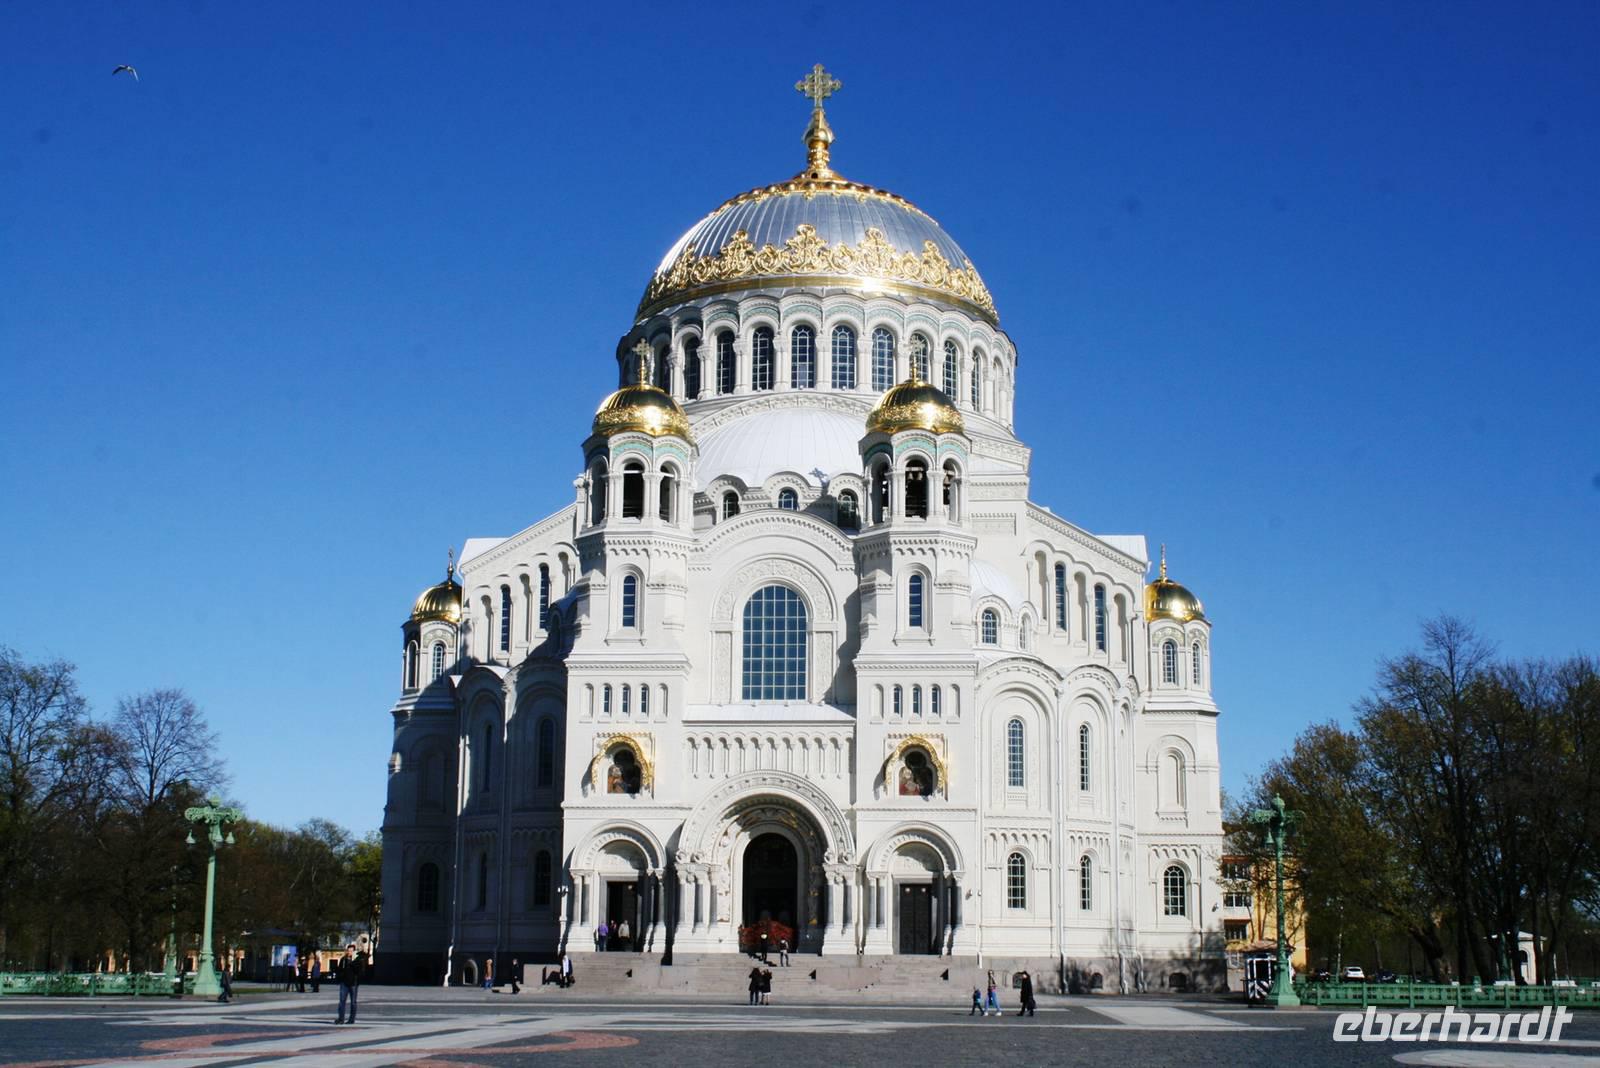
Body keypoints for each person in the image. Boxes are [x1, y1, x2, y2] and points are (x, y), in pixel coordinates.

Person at [335, 943, 365, 1025]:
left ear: (354, 952)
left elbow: (360, 971)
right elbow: (340, 970)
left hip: (353, 984)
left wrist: (353, 962)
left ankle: (351, 1019)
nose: (349, 952)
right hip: (344, 983)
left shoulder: (358, 960)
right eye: (348, 950)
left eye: (351, 951)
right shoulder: (343, 960)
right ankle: (341, 1019)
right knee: (342, 1001)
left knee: (353, 1002)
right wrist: (340, 977)